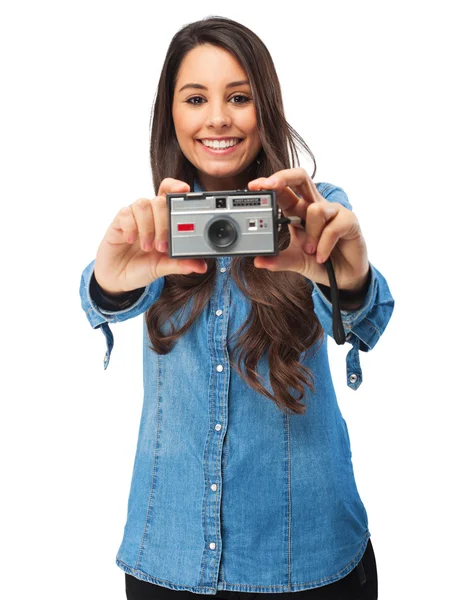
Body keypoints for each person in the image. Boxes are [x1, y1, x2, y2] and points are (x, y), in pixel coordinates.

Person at [79, 15, 394, 600]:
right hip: (167, 554)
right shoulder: (159, 226)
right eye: (195, 98)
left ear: (265, 108)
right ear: (170, 115)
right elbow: (101, 297)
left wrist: (345, 278)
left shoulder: (312, 212)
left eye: (239, 97)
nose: (218, 117)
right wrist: (108, 284)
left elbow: (365, 319)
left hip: (305, 554)